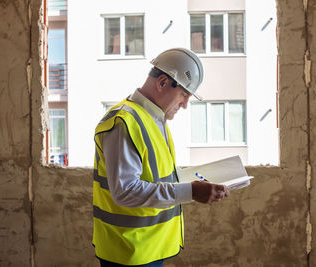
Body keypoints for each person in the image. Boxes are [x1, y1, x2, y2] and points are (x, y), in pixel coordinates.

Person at [92, 48, 230, 267]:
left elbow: (157, 175)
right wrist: (192, 191)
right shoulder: (124, 122)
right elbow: (125, 191)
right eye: (184, 94)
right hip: (128, 252)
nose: (185, 104)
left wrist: (196, 181)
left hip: (150, 247)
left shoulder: (154, 118)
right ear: (163, 82)